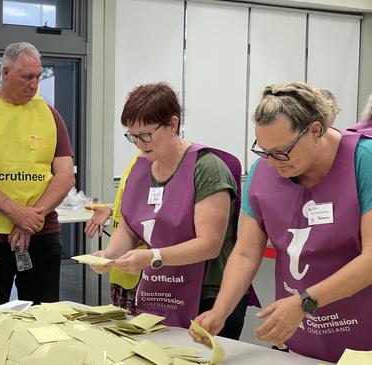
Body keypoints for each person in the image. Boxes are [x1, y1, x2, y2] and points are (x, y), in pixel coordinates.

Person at [191, 82, 372, 363]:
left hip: (361, 333)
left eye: (281, 151)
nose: (272, 162)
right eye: (263, 151)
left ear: (315, 130)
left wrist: (305, 301)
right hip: (296, 331)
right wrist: (221, 310)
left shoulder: (364, 162)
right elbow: (246, 252)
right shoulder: (264, 171)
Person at [90, 83, 255, 339]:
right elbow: (131, 225)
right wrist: (111, 255)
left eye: (146, 135)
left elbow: (209, 244)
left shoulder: (207, 168)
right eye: (132, 136)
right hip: (160, 288)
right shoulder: (141, 166)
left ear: (173, 124)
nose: (139, 144)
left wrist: (149, 257)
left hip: (207, 294)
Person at [0, 41, 75, 308]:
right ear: (6, 73)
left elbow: (65, 175)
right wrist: (14, 211)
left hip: (42, 234)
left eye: (38, 77)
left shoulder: (50, 115)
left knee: (43, 318)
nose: (34, 84)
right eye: (27, 77)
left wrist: (32, 216)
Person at [85, 151, 144, 314]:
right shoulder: (140, 157)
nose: (138, 140)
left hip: (143, 268)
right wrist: (111, 209)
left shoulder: (160, 161)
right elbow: (133, 203)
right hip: (123, 261)